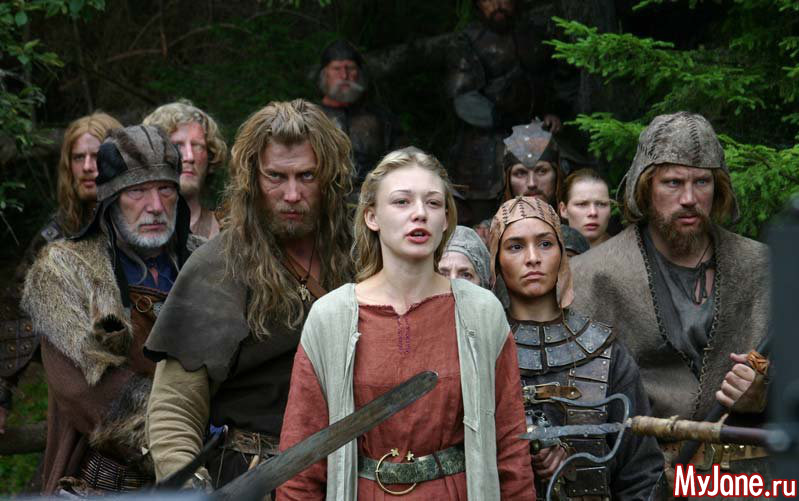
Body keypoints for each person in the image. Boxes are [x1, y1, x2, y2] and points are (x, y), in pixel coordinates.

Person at [277, 147, 534, 499]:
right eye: (401, 202)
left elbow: (510, 447)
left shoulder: (481, 312)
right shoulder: (330, 318)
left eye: (433, 203)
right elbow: (301, 461)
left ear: (445, 219)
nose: (420, 213)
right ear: (372, 217)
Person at [144, 99, 354, 489]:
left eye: (307, 176)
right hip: (253, 478)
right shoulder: (218, 266)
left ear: (330, 178)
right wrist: (189, 490)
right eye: (276, 176)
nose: (292, 194)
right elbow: (175, 408)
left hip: (353, 473)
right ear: (252, 178)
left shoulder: (361, 254)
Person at [570, 112, 770, 475]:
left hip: (750, 478)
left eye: (702, 182)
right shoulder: (594, 276)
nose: (689, 198)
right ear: (645, 187)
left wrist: (762, 394)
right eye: (673, 182)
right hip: (644, 476)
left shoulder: (759, 267)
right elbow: (580, 406)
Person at [21, 124, 198, 494]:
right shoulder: (65, 271)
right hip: (107, 484)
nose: (155, 206)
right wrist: (180, 448)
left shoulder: (205, 262)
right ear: (111, 199)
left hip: (210, 466)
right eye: (137, 191)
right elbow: (88, 394)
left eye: (165, 189)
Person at [488, 196, 663, 499]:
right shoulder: (480, 348)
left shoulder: (605, 352)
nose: (533, 258)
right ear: (497, 260)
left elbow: (641, 471)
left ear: (561, 254)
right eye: (515, 247)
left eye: (545, 244)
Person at [1, 112, 122, 435]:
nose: (87, 166)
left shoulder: (143, 227)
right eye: (78, 157)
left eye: (97, 156)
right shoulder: (57, 235)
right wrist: (2, 393)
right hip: (77, 390)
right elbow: (17, 313)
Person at [445, 0, 563, 221]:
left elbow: (555, 78)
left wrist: (553, 111)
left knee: (542, 203)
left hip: (534, 131)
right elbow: (463, 96)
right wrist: (498, 116)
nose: (497, 5)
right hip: (486, 141)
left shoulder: (534, 33)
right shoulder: (469, 41)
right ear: (479, 5)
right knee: (488, 216)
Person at [317, 39, 404, 188]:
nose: (344, 76)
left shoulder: (382, 119)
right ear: (325, 74)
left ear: (359, 73)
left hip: (372, 196)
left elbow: (401, 165)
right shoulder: (309, 118)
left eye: (350, 68)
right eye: (336, 69)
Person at [143, 100, 228, 239]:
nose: (189, 156)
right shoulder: (130, 230)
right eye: (177, 145)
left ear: (210, 155)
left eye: (197, 146)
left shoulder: (231, 233)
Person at [559, 169, 612, 248]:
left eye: (601, 204)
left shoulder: (628, 252)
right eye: (582, 204)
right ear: (564, 210)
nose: (593, 212)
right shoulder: (549, 254)